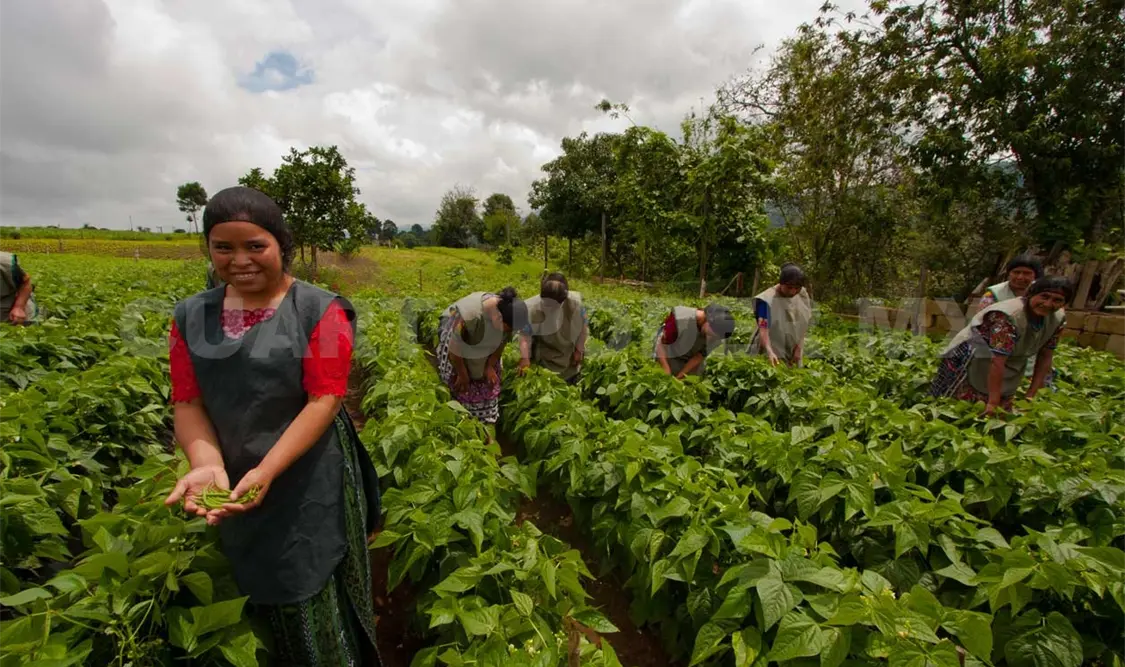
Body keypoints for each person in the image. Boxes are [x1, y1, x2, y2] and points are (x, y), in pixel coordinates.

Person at [163, 186, 382, 666]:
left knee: (304, 576)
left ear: (281, 244)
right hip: (233, 464)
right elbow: (187, 402)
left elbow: (324, 400)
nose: (239, 260)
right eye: (223, 247)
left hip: (306, 472)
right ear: (209, 249)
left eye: (254, 246)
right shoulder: (191, 316)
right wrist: (206, 462)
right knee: (245, 582)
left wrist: (267, 471)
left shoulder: (320, 310)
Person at [931, 276, 1071, 415]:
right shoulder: (1007, 316)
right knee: (957, 408)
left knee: (1000, 412)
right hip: (973, 356)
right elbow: (997, 361)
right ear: (1030, 295)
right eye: (1044, 297)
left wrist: (1030, 396)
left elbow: (1046, 356)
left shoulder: (1057, 318)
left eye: (1057, 300)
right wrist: (992, 402)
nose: (1048, 304)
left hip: (1011, 361)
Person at [438, 288, 526, 423]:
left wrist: (490, 366)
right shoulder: (470, 316)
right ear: (498, 317)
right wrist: (462, 374)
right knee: (461, 383)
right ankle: (460, 417)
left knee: (487, 378)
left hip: (482, 341)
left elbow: (501, 342)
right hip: (456, 341)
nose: (507, 332)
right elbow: (455, 349)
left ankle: (485, 419)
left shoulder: (509, 318)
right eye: (506, 328)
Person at [518, 272, 588, 383]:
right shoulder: (531, 309)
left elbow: (583, 329)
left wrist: (579, 350)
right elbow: (525, 336)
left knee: (568, 384)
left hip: (567, 355)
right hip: (544, 356)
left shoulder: (575, 305)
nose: (550, 310)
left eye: (555, 307)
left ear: (563, 301)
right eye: (547, 305)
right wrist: (525, 358)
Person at [748, 263, 813, 367]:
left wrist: (799, 347)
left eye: (797, 288)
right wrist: (769, 351)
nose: (793, 291)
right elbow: (763, 328)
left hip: (792, 346)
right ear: (781, 283)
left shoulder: (802, 295)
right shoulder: (767, 300)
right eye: (789, 287)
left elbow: (804, 321)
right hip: (770, 347)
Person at [653, 303, 735, 379]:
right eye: (711, 335)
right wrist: (666, 369)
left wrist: (680, 377)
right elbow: (661, 345)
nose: (711, 339)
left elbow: (699, 357)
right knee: (663, 375)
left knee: (691, 380)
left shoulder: (718, 334)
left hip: (690, 356)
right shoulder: (681, 318)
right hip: (668, 351)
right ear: (708, 321)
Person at [977, 254, 1043, 309]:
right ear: (1008, 274)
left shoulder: (1043, 294)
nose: (1020, 277)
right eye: (1016, 272)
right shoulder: (993, 295)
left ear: (1036, 275)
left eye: (1026, 273)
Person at [1, 251, 38, 325]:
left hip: (10, 301)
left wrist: (19, 307)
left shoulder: (5, 263)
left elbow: (26, 283)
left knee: (23, 326)